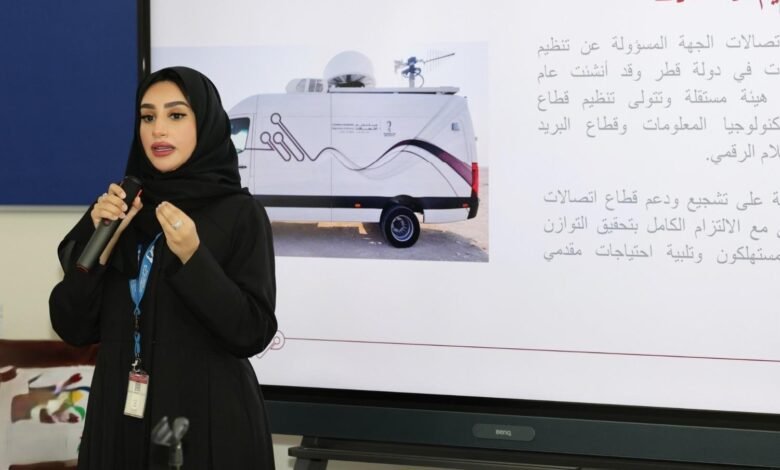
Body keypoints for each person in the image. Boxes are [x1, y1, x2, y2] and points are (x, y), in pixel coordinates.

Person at [49, 66, 277, 469]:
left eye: (175, 115)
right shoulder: (121, 206)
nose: (158, 130)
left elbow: (252, 331)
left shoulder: (241, 213)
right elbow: (72, 325)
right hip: (121, 417)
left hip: (206, 423)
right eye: (148, 116)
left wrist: (194, 257)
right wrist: (103, 244)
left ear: (204, 123)